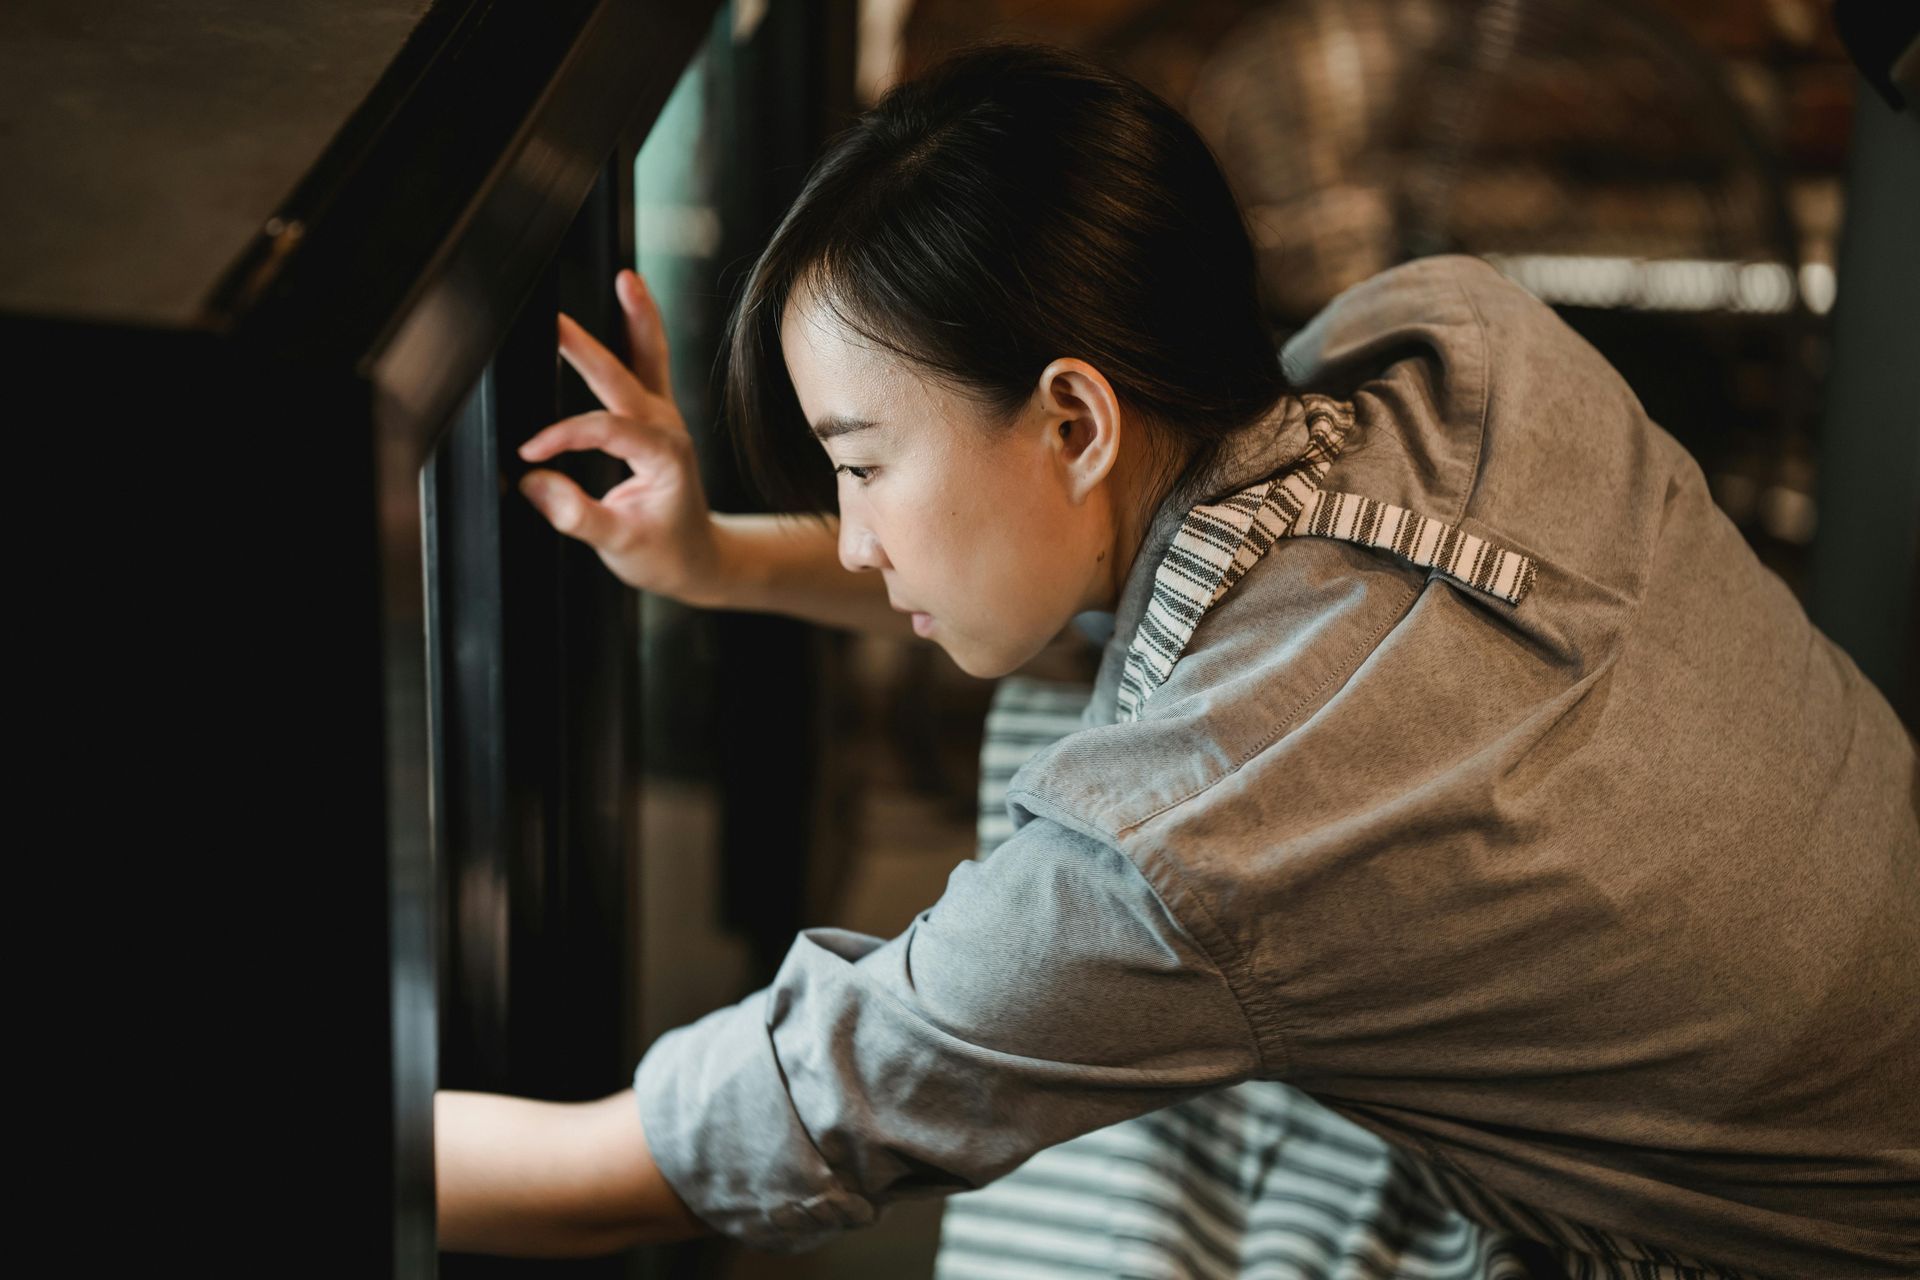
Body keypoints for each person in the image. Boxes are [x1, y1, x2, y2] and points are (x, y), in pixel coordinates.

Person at [434, 41, 1920, 1278]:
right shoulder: (1458, 340)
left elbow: (655, 1158)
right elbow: (1072, 602)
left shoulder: (1182, 849)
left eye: (862, 466)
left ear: (1074, 418)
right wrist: (700, 562)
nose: (852, 540)